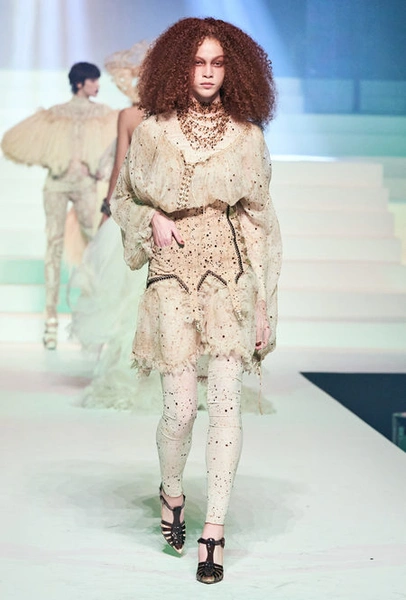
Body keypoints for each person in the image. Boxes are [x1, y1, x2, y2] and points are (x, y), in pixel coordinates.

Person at [112, 17, 282, 584]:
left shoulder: (247, 136)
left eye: (217, 63)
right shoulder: (153, 131)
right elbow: (122, 198)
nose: (207, 73)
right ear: (179, 66)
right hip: (170, 276)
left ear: (232, 69)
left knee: (227, 405)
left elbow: (259, 223)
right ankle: (170, 490)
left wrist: (264, 306)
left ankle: (214, 530)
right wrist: (150, 217)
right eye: (198, 62)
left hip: (230, 280)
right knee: (181, 410)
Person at [1, 62, 118, 349]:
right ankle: (50, 321)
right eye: (93, 80)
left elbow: (118, 145)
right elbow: (27, 141)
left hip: (84, 185)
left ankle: (98, 318)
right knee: (53, 246)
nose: (97, 85)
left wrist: (102, 168)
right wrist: (54, 158)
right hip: (57, 184)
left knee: (95, 244)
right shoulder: (55, 114)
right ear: (80, 83)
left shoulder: (104, 114)